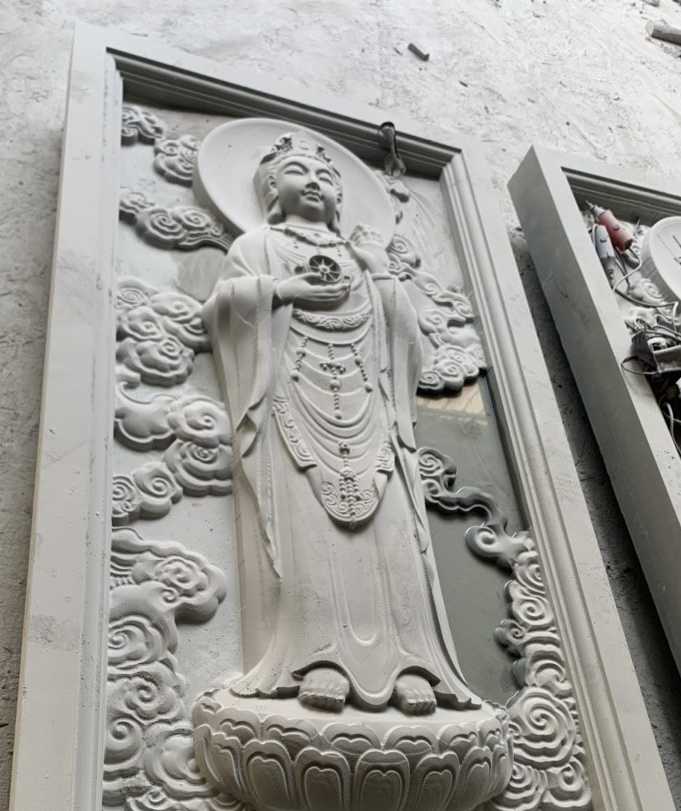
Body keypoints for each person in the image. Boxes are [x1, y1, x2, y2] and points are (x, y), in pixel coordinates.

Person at [202, 132, 479, 715]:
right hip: (292, 410)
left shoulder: (360, 257)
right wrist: (283, 290)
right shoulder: (259, 246)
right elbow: (223, 309)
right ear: (271, 189)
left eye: (326, 177)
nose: (315, 182)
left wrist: (379, 273)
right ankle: (317, 658)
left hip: (371, 414)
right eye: (298, 172)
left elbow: (408, 342)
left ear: (340, 198)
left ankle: (412, 664)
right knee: (309, 535)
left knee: (393, 536)